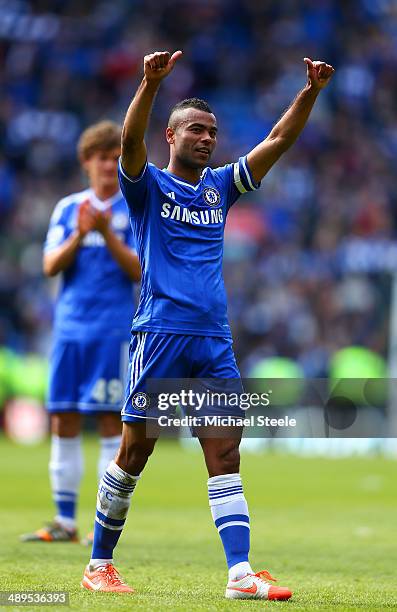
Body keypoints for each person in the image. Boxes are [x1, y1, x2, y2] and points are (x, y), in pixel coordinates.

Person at [81, 52, 334, 599]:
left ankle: (240, 575)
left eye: (212, 131)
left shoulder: (221, 186)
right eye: (195, 129)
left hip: (214, 341)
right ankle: (98, 564)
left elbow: (276, 142)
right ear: (170, 137)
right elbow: (129, 144)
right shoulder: (147, 187)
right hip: (160, 335)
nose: (207, 138)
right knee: (135, 453)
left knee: (225, 454)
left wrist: (309, 91)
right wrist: (149, 85)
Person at [21, 120, 141, 543]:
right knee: (63, 419)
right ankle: (65, 521)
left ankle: (99, 523)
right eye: (102, 158)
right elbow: (50, 265)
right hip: (69, 330)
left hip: (113, 331)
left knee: (112, 422)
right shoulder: (69, 208)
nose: (110, 165)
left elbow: (140, 271)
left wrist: (106, 233)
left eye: (116, 157)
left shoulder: (132, 208)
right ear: (86, 162)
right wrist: (81, 234)